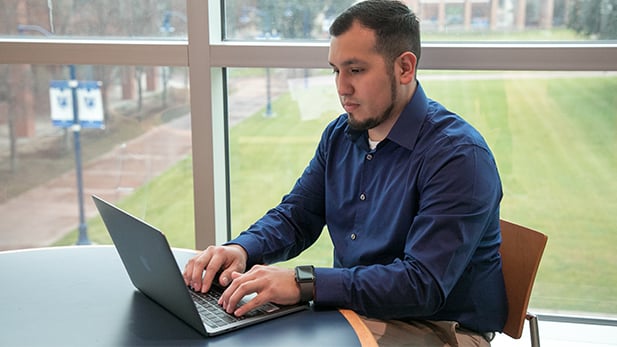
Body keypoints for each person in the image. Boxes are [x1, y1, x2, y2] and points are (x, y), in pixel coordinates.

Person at [183, 0, 507, 345]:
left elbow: (421, 285)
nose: (341, 87)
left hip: (440, 327)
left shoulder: (459, 156)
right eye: (336, 70)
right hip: (358, 311)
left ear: (405, 68)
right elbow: (297, 215)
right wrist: (242, 250)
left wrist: (303, 283)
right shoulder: (340, 135)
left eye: (356, 70)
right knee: (242, 328)